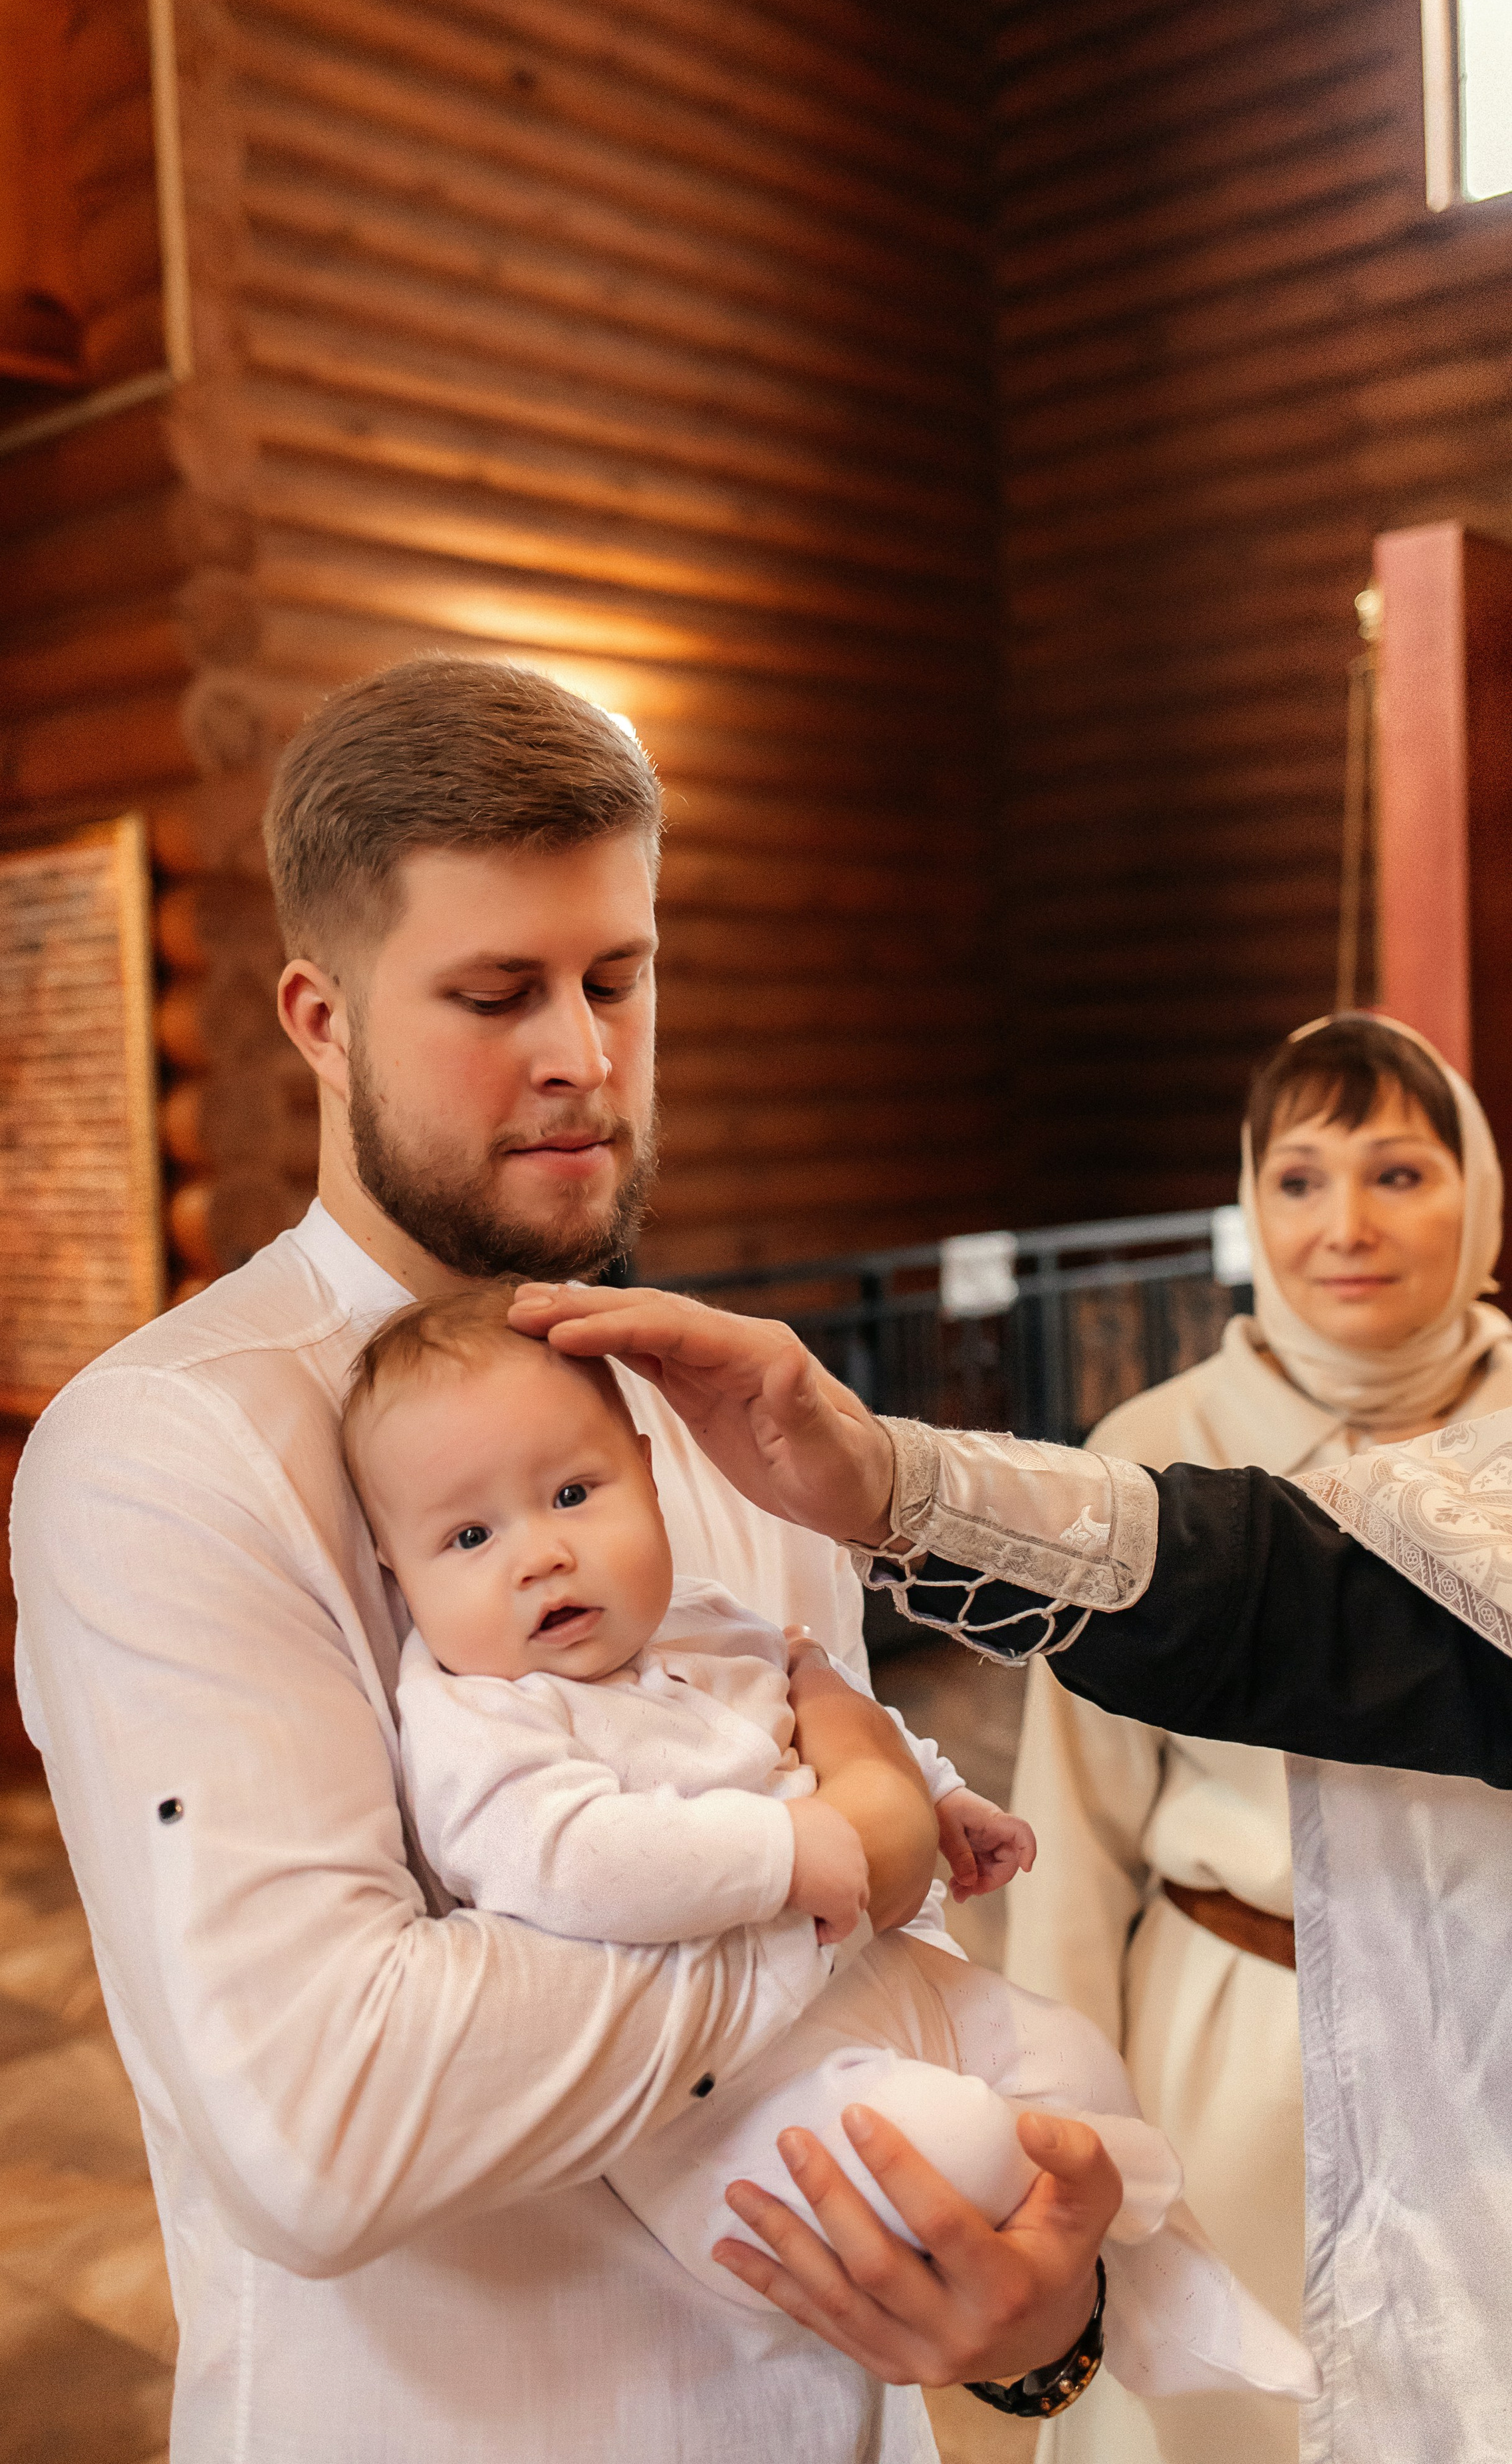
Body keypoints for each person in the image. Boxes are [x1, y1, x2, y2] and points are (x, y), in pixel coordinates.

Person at [10, 657, 1116, 2464]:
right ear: (319, 1014)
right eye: (495, 992)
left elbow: (887, 2006)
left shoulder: (719, 1407)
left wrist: (1032, 2329)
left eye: (617, 977)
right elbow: (328, 2117)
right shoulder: (165, 1455)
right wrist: (838, 1863)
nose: (583, 1057)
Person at [511, 1276, 1512, 2460]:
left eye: (575, 1492)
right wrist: (890, 1492)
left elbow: (817, 1698)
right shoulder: (488, 1693)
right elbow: (1310, 1603)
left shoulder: (700, 1604)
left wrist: (895, 1798)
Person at [345, 1283, 1314, 2408]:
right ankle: (1121, 2214)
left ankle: (1170, 2291)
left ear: (652, 1484)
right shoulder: (479, 1715)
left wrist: (941, 1800)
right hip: (733, 2102)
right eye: (469, 1536)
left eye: (571, 1494)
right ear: (396, 1573)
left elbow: (839, 1709)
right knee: (951, 2141)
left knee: (1067, 2055)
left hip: (874, 1976)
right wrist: (781, 1852)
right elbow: (566, 1857)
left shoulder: (703, 1619)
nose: (540, 1556)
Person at [1003, 1012, 1512, 2464]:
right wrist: (1064, 2129)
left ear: (1476, 1196)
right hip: (1229, 2044)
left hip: (1481, 2033)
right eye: (1296, 1180)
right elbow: (1072, 1842)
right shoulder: (1148, 1458)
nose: (1341, 1225)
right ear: (1246, 1205)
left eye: (1397, 1174)